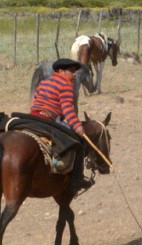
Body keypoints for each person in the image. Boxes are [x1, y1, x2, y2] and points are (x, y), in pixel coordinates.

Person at [30, 57, 94, 195]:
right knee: (78, 144)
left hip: (34, 118)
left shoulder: (44, 83)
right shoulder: (66, 85)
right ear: (61, 71)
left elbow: (35, 101)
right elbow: (68, 110)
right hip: (49, 120)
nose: (74, 74)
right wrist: (77, 126)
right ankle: (77, 179)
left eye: (75, 71)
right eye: (71, 71)